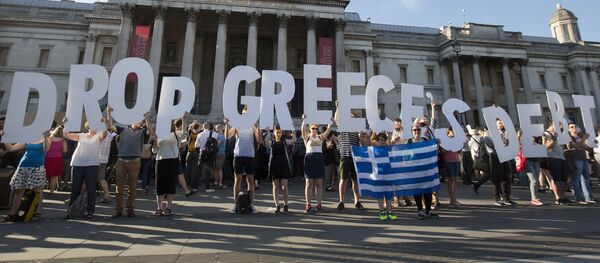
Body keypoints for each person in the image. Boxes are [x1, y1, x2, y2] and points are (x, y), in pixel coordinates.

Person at [106, 106, 152, 218]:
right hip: (121, 161)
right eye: (138, 120)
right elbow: (110, 126)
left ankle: (130, 209)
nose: (140, 122)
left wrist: (147, 118)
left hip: (135, 162)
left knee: (132, 188)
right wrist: (108, 113)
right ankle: (119, 210)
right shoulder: (123, 129)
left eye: (141, 121)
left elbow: (151, 131)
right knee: (119, 188)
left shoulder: (141, 131)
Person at [63, 116, 109, 218]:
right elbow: (66, 134)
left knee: (91, 188)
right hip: (77, 164)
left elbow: (104, 134)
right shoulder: (81, 135)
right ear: (88, 126)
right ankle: (72, 210)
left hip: (92, 164)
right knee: (75, 188)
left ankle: (90, 211)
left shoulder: (98, 136)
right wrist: (65, 123)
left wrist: (104, 124)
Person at [2, 131, 51, 222]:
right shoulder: (27, 140)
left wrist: (46, 137)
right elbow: (11, 149)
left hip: (37, 167)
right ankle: (12, 214)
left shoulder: (45, 139)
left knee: (38, 191)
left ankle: (37, 212)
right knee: (19, 191)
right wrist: (5, 139)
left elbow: (46, 149)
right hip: (23, 166)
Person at [224, 115, 262, 214]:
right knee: (237, 180)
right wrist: (227, 124)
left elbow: (259, 140)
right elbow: (227, 136)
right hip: (238, 155)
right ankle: (236, 204)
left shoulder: (253, 126)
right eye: (245, 113)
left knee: (250, 181)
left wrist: (257, 127)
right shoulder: (237, 125)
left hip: (250, 155)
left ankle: (251, 204)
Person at [152, 112, 188, 216]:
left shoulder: (176, 134)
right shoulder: (159, 135)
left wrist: (184, 119)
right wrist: (154, 141)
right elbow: (154, 150)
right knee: (159, 185)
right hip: (161, 160)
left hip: (173, 160)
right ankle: (159, 208)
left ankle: (168, 207)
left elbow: (184, 131)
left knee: (171, 184)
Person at [334, 101, 365, 211]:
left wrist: (361, 136)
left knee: (355, 181)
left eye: (352, 117)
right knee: (343, 179)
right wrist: (338, 107)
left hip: (355, 157)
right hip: (345, 156)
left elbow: (362, 143)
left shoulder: (357, 130)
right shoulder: (342, 128)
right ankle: (341, 201)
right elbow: (336, 120)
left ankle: (357, 201)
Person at [301, 114, 333, 213]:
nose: (315, 130)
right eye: (313, 128)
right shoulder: (307, 137)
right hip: (310, 159)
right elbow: (302, 130)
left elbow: (328, 130)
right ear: (310, 129)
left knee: (319, 183)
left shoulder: (320, 137)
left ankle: (319, 204)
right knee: (309, 183)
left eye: (316, 128)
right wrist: (304, 120)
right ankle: (308, 204)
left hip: (318, 159)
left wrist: (330, 122)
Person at [407, 124, 439, 220]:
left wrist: (436, 143)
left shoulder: (425, 141)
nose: (416, 131)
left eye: (418, 130)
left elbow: (432, 151)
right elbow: (404, 155)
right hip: (414, 170)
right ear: (411, 131)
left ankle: (428, 210)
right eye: (414, 130)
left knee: (428, 190)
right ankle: (420, 210)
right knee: (418, 190)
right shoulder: (408, 142)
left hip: (425, 169)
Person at [483, 119, 515, 206]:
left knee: (507, 176)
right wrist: (501, 144)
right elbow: (490, 144)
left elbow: (506, 143)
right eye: (499, 123)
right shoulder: (487, 133)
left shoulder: (502, 132)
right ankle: (497, 198)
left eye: (502, 123)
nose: (501, 124)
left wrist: (506, 141)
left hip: (504, 155)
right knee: (497, 177)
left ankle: (506, 198)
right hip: (494, 156)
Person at [370, 132, 398, 221]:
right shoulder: (374, 150)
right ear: (377, 140)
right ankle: (382, 211)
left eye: (383, 140)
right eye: (380, 140)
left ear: (386, 141)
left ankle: (389, 212)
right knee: (379, 195)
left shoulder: (389, 150)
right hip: (378, 176)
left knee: (388, 195)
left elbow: (393, 161)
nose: (381, 142)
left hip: (388, 176)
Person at [544, 122, 574, 205]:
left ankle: (563, 196)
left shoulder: (559, 133)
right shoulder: (546, 134)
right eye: (559, 125)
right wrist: (555, 138)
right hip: (553, 157)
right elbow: (547, 146)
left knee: (563, 179)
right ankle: (558, 197)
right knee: (556, 179)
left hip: (561, 157)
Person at [566, 122, 596, 204]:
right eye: (572, 127)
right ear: (568, 129)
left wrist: (592, 143)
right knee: (576, 179)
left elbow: (586, 148)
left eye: (575, 126)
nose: (574, 128)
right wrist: (583, 139)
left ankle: (588, 197)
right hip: (576, 159)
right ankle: (578, 197)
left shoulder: (579, 136)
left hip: (583, 159)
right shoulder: (569, 137)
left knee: (586, 179)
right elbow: (573, 146)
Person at [265, 125, 292, 214]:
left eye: (280, 132)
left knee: (284, 186)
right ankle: (277, 205)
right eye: (277, 132)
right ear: (274, 132)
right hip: (274, 165)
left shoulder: (284, 142)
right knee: (275, 186)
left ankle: (286, 205)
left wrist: (294, 133)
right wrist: (269, 132)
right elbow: (265, 142)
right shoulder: (272, 142)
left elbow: (293, 141)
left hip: (284, 165)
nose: (278, 134)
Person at [517, 130, 543, 206]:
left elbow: (539, 147)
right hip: (527, 161)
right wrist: (519, 136)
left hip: (536, 160)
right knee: (534, 180)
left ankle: (535, 197)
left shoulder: (532, 139)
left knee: (536, 180)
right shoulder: (522, 139)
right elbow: (518, 146)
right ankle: (534, 198)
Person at [195, 122, 219, 193]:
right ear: (209, 127)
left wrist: (202, 146)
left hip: (202, 152)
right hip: (210, 154)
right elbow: (216, 143)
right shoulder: (214, 134)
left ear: (203, 126)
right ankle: (207, 188)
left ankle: (194, 187)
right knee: (208, 171)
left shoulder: (199, 134)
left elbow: (196, 145)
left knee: (199, 170)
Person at [443, 127, 462, 206]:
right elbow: (442, 151)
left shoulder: (457, 140)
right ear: (449, 132)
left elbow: (459, 151)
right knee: (450, 179)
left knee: (455, 179)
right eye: (452, 131)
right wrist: (448, 149)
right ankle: (452, 198)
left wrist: (460, 147)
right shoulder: (445, 141)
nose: (454, 132)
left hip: (456, 160)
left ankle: (454, 198)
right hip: (448, 160)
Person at [44, 126, 65, 196]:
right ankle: (51, 192)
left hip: (48, 157)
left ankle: (40, 189)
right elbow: (65, 150)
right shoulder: (62, 140)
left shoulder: (49, 138)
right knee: (54, 176)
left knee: (45, 174)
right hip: (58, 158)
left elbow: (46, 149)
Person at [97, 118, 114, 203]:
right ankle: (107, 194)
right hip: (104, 159)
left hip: (96, 159)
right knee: (101, 178)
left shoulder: (99, 133)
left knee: (87, 178)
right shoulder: (110, 135)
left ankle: (78, 198)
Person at [185, 120, 201, 194]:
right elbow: (202, 126)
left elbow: (189, 128)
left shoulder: (189, 133)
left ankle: (185, 183)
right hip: (196, 152)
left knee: (187, 168)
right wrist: (197, 123)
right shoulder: (199, 134)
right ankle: (193, 185)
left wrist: (193, 123)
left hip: (189, 152)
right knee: (194, 170)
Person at [214, 124, 227, 189]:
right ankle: (216, 182)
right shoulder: (219, 135)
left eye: (216, 128)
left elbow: (217, 144)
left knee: (219, 169)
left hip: (220, 154)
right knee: (216, 169)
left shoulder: (221, 136)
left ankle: (220, 183)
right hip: (218, 154)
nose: (215, 130)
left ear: (220, 128)